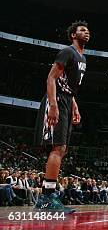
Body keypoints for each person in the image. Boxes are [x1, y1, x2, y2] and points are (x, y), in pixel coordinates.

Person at [33, 21, 89, 213]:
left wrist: (74, 106)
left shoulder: (83, 58)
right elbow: (51, 78)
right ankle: (47, 198)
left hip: (66, 99)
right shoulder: (67, 52)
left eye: (87, 30)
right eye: (82, 30)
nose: (86, 32)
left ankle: (49, 195)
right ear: (73, 35)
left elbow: (69, 88)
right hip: (56, 99)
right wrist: (54, 105)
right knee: (58, 148)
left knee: (62, 149)